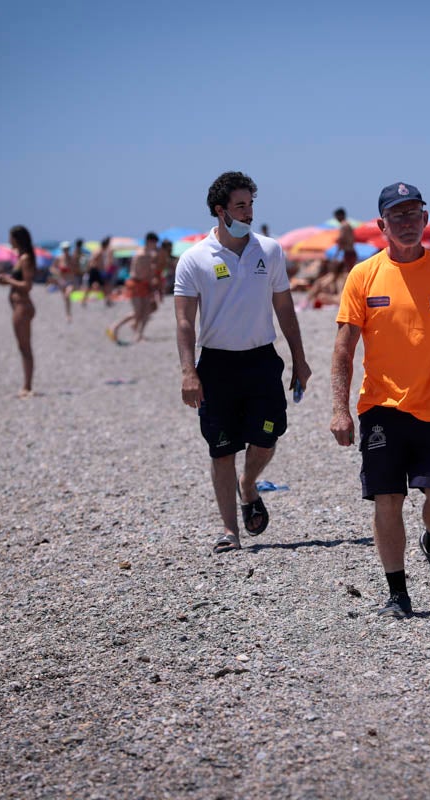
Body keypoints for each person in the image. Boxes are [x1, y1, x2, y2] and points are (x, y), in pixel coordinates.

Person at [330, 181, 430, 618]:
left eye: (413, 213)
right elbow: (344, 349)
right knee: (388, 499)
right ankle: (397, 594)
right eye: (396, 216)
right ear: (382, 225)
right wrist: (339, 409)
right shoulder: (363, 276)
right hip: (380, 409)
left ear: (425, 218)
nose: (406, 222)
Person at [174, 171, 311, 555]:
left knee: (267, 436)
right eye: (240, 206)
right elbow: (184, 320)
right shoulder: (194, 259)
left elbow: (284, 308)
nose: (248, 212)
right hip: (216, 365)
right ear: (220, 211)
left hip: (261, 360)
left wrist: (299, 358)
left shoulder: (269, 250)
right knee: (221, 449)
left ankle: (248, 485)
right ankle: (229, 530)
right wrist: (188, 371)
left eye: (250, 205)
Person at [0, 225, 36, 397]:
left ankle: (27, 386)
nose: (9, 241)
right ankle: (26, 384)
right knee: (22, 347)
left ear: (17, 239)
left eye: (10, 237)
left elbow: (27, 286)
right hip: (18, 306)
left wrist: (8, 281)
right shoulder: (20, 258)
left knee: (25, 347)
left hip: (23, 306)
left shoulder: (25, 258)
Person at [107, 232, 158, 344]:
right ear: (150, 242)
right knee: (137, 312)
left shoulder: (150, 254)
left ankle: (139, 335)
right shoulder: (140, 254)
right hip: (135, 284)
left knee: (146, 311)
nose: (156, 245)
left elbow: (149, 272)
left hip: (145, 284)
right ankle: (115, 327)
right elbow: (137, 272)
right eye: (155, 243)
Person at [83, 237, 110, 306]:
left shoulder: (101, 251)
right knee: (102, 285)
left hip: (96, 270)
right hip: (95, 271)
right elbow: (92, 260)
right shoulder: (99, 251)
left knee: (103, 285)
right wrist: (98, 268)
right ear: (106, 245)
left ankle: (107, 300)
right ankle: (107, 300)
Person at [334, 207, 358, 274]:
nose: (336, 219)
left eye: (336, 216)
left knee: (348, 272)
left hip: (348, 252)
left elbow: (341, 239)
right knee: (350, 271)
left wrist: (337, 252)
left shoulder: (343, 225)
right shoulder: (348, 225)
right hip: (351, 251)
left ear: (340, 215)